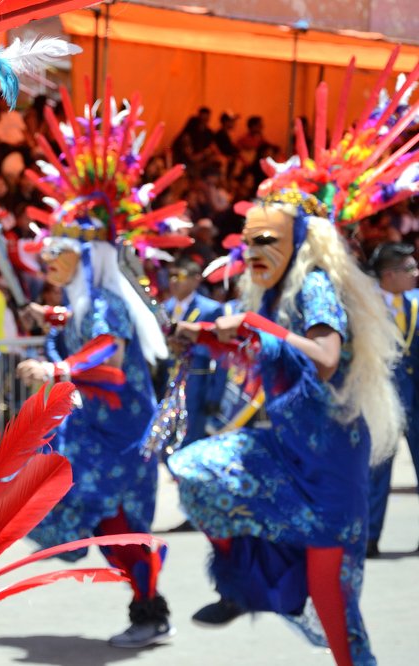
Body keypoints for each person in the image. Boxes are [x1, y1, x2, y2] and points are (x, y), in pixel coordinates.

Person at [167, 71, 417, 660]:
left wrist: (254, 327)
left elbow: (325, 359)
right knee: (197, 468)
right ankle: (246, 581)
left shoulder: (315, 289)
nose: (251, 253)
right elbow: (269, 355)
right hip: (287, 450)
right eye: (248, 242)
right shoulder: (275, 297)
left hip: (329, 462)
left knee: (335, 606)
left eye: (266, 242)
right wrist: (204, 337)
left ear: (299, 243)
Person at [14, 86, 177, 649]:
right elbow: (85, 326)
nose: (49, 262)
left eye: (58, 254)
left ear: (86, 256)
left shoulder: (106, 304)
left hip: (119, 430)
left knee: (110, 519)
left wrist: (59, 371)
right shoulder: (90, 300)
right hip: (102, 428)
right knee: (104, 517)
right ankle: (149, 601)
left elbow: (106, 352)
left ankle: (150, 605)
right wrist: (53, 315)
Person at [365, 242, 419, 558]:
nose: (415, 274)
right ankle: (371, 537)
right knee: (377, 473)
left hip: (415, 403)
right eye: (409, 269)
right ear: (389, 274)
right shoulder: (368, 308)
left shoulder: (413, 306)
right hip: (381, 403)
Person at [162, 258, 223, 445]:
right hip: (168, 381)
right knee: (165, 433)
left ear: (196, 279)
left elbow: (220, 353)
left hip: (197, 382)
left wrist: (215, 394)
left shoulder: (211, 309)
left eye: (179, 276)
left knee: (190, 434)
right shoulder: (165, 307)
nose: (173, 281)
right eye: (170, 276)